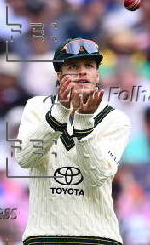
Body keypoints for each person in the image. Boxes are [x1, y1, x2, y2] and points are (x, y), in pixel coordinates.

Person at [15, 38, 131, 245]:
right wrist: (60, 111)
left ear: (97, 74)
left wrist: (85, 122)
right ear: (59, 75)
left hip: (98, 237)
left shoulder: (116, 119)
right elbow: (25, 158)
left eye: (89, 65)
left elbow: (97, 176)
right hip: (44, 236)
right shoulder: (36, 108)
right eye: (73, 66)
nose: (82, 72)